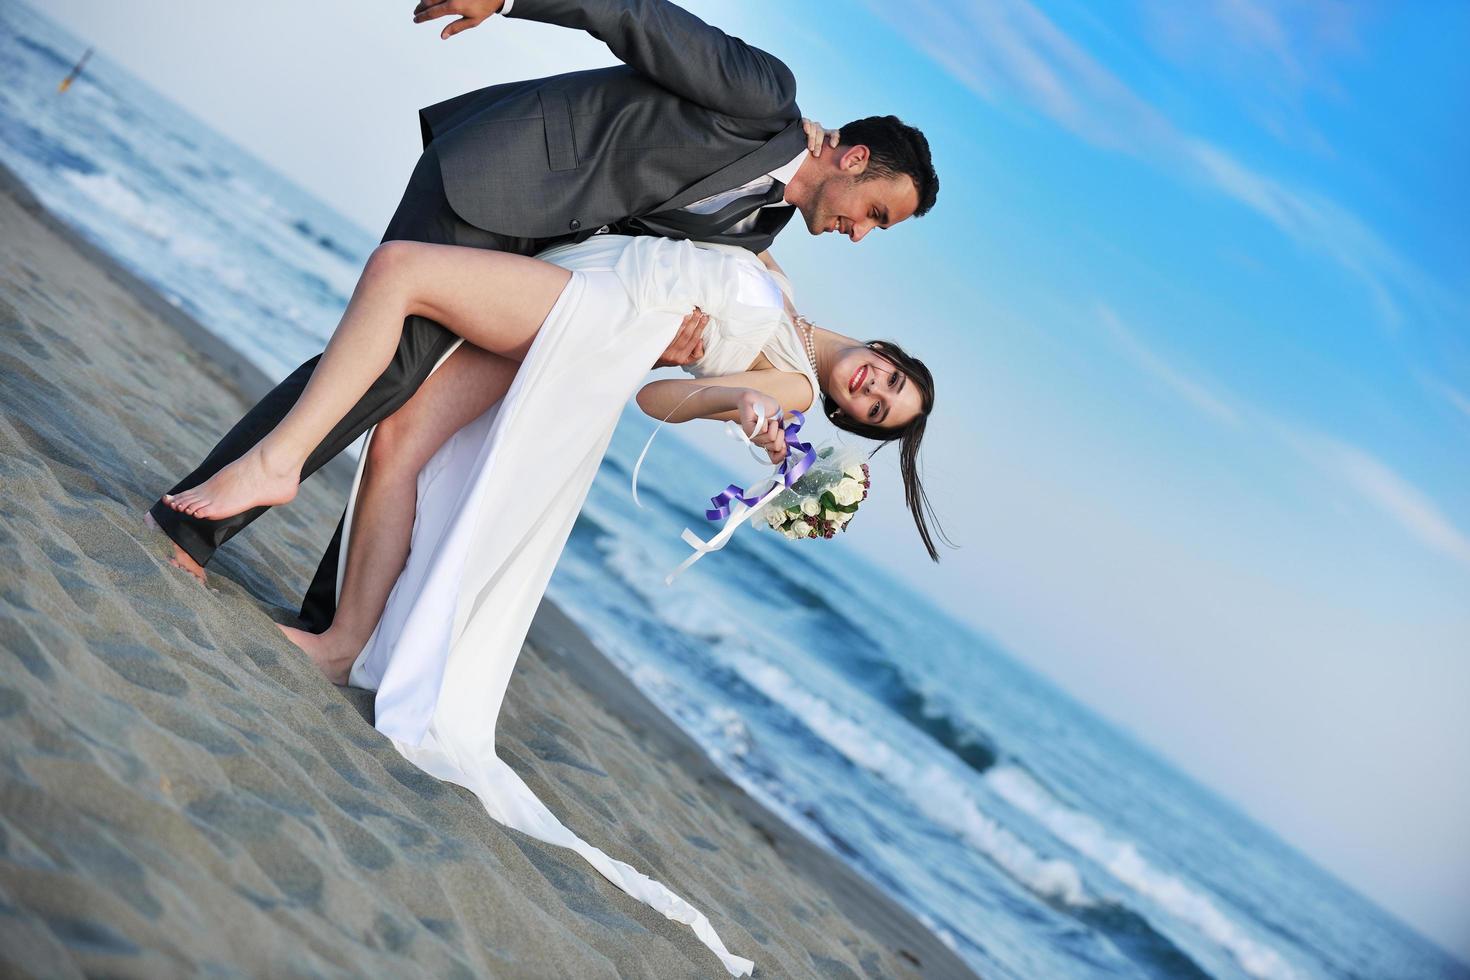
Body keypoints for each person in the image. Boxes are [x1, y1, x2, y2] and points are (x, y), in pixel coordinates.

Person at [157, 225, 942, 975]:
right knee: (403, 439)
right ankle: (347, 641)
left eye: (875, 410)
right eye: (891, 380)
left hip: (594, 333)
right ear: (886, 352)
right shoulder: (787, 294)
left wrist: (734, 405)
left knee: (406, 304)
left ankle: (334, 626)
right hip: (590, 282)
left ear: (844, 418)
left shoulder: (794, 386)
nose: (872, 390)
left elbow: (658, 400)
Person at [145, 0, 939, 640]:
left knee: (411, 410)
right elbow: (634, 15)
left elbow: (648, 256)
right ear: (855, 159)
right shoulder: (766, 95)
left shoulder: (758, 231)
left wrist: (671, 344)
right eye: (875, 213)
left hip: (542, 259)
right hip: (504, 170)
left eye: (878, 230)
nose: (861, 233)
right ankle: (198, 529)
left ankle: (330, 622)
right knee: (389, 372)